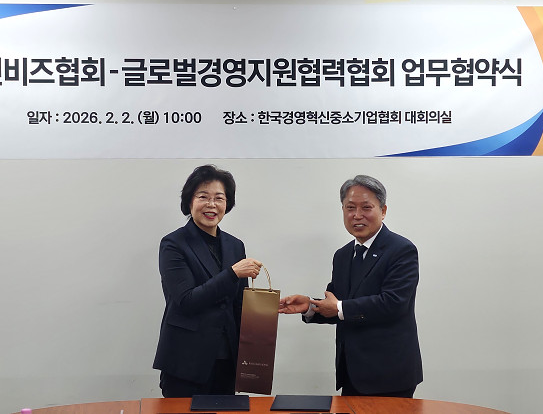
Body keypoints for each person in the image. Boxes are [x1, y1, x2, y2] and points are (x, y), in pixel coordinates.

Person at [278, 175, 422, 397]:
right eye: (350, 207)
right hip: (352, 372)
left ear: (383, 211)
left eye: (366, 207)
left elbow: (393, 303)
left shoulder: (401, 250)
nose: (357, 215)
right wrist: (309, 306)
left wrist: (338, 308)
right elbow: (337, 304)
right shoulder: (343, 255)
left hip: (390, 374)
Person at [153, 164, 263, 397]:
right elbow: (186, 300)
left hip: (227, 360)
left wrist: (266, 309)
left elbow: (239, 306)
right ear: (189, 201)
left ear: (227, 204)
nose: (211, 205)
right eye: (203, 197)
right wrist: (232, 273)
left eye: (219, 198)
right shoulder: (173, 244)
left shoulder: (235, 245)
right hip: (186, 362)